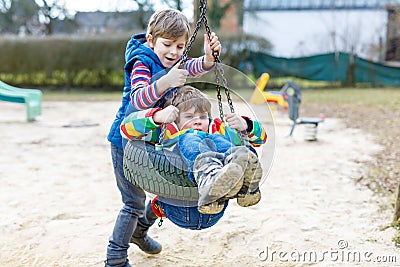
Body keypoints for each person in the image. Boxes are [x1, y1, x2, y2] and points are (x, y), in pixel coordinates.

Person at [105, 8, 222, 267]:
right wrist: (166, 82)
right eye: (167, 44)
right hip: (125, 143)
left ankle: (139, 231)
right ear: (151, 40)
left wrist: (208, 59)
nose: (174, 52)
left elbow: (190, 68)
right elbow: (138, 98)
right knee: (134, 203)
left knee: (165, 188)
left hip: (152, 143)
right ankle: (115, 257)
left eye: (180, 46)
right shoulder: (141, 61)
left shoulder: (173, 61)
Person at [120, 85, 267, 229]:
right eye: (189, 117)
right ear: (175, 120)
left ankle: (246, 188)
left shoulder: (220, 132)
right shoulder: (166, 133)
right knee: (192, 137)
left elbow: (261, 140)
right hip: (179, 208)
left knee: (233, 148)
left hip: (216, 209)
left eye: (203, 117)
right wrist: (157, 117)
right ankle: (209, 176)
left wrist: (246, 125)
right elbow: (125, 129)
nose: (197, 121)